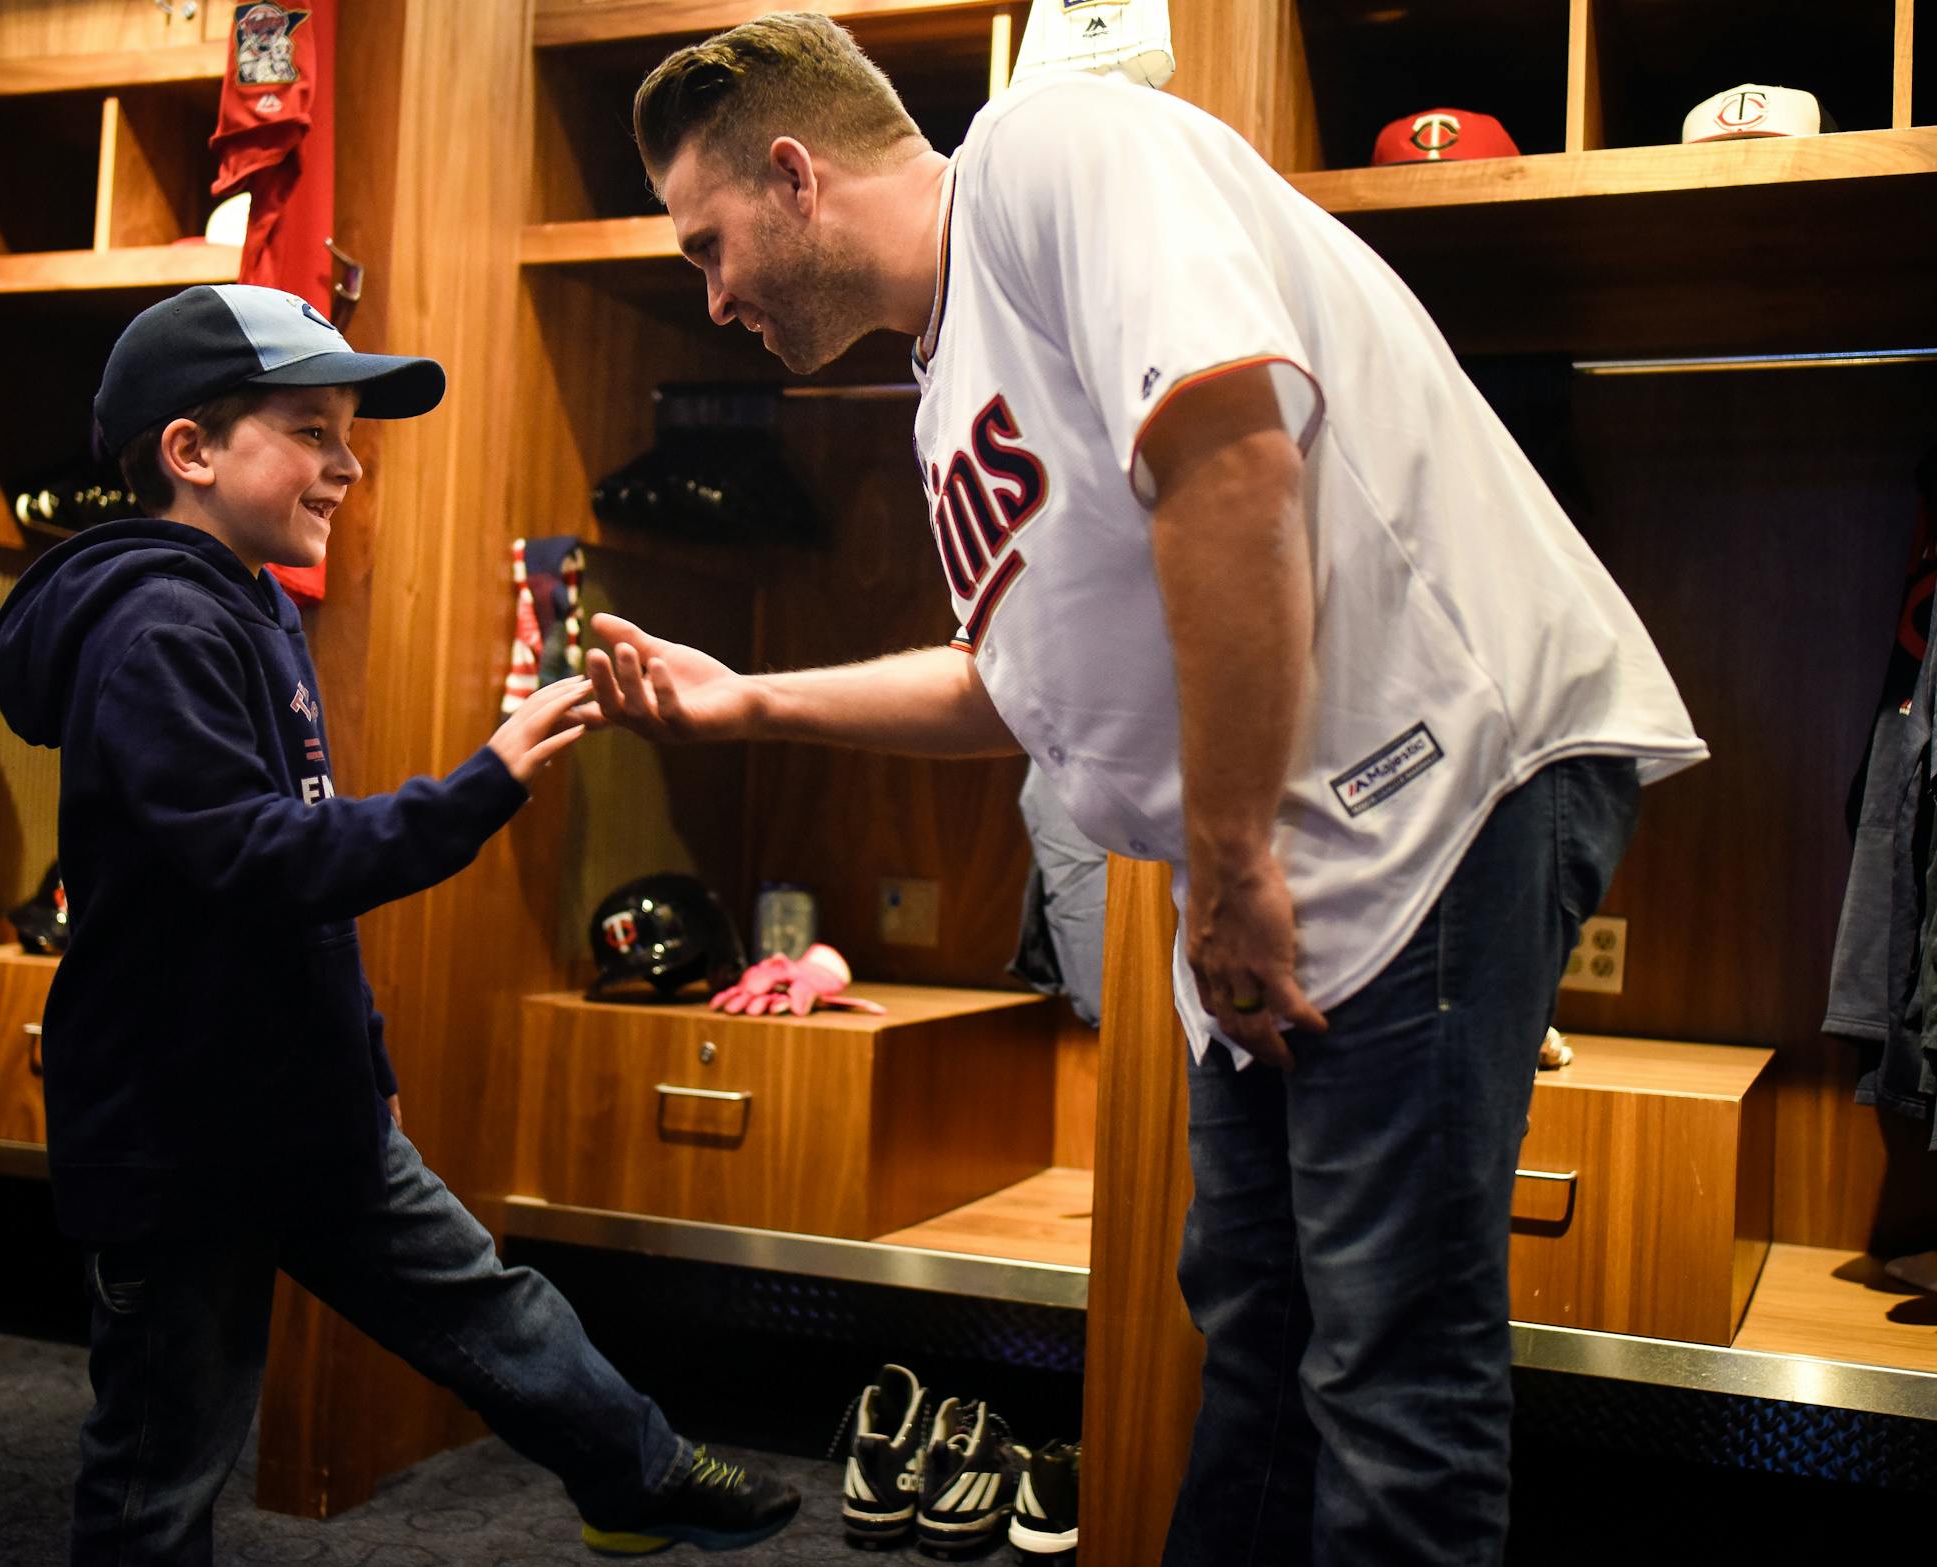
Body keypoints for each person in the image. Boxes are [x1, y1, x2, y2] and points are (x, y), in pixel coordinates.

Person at [597, 16, 1706, 1565]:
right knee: (1253, 1326)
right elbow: (1020, 683)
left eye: (709, 243)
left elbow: (1232, 455)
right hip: (1272, 849)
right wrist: (754, 698)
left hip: (1427, 788)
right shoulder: (946, 389)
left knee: (1389, 1370)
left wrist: (1235, 857)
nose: (711, 297)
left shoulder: (1054, 149)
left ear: (795, 174)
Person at [0, 283, 800, 1563]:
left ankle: (633, 1474)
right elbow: (258, 858)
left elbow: (293, 872)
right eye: (312, 428)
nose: (348, 462)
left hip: (304, 1098)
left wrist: (360, 1061)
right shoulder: (155, 624)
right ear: (189, 451)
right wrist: (483, 785)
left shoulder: (249, 597)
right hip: (175, 1128)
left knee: (490, 1304)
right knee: (159, 1460)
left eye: (346, 432)